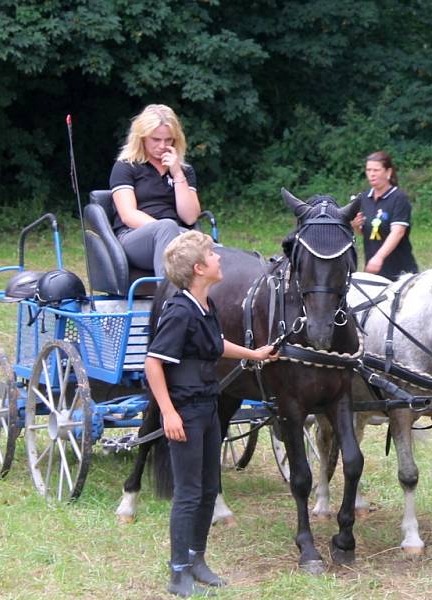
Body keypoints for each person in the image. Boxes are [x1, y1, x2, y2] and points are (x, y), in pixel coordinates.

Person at [145, 230, 277, 597]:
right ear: (200, 268)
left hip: (208, 406)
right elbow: (154, 363)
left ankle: (197, 558)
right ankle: (178, 571)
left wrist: (255, 354)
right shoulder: (179, 311)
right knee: (188, 493)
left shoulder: (206, 306)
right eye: (212, 255)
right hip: (185, 410)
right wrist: (168, 413)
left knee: (207, 489)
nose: (220, 258)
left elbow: (216, 344)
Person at [109, 104, 201, 278]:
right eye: (156, 139)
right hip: (134, 237)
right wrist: (172, 233)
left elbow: (189, 217)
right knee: (167, 226)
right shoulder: (126, 166)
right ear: (142, 138)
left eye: (168, 140)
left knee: (213, 249)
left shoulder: (184, 171)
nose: (162, 146)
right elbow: (128, 215)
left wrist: (177, 172)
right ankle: (168, 299)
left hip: (177, 235)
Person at [351, 151, 418, 280]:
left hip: (400, 271)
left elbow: (398, 232)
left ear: (388, 172)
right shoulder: (364, 198)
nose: (371, 174)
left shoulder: (399, 198)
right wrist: (356, 226)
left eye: (376, 170)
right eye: (368, 170)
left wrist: (378, 258)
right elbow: (368, 232)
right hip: (374, 271)